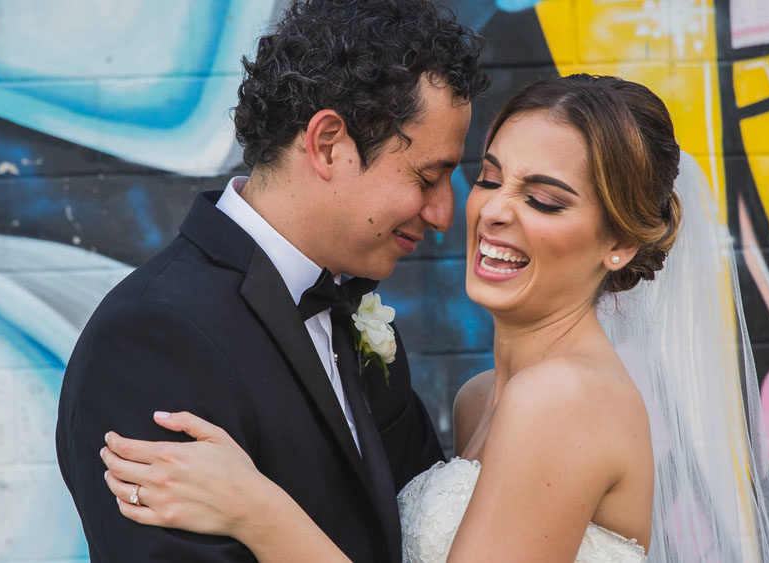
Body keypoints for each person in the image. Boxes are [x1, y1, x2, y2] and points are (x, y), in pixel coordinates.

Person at [100, 74, 769, 562]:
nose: (492, 209)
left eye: (544, 200)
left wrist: (258, 510)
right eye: (490, 177)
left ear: (619, 245)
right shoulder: (481, 399)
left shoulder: (565, 400)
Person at [54, 0, 488, 561]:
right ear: (328, 143)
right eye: (428, 177)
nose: (442, 215)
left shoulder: (352, 309)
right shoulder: (152, 335)